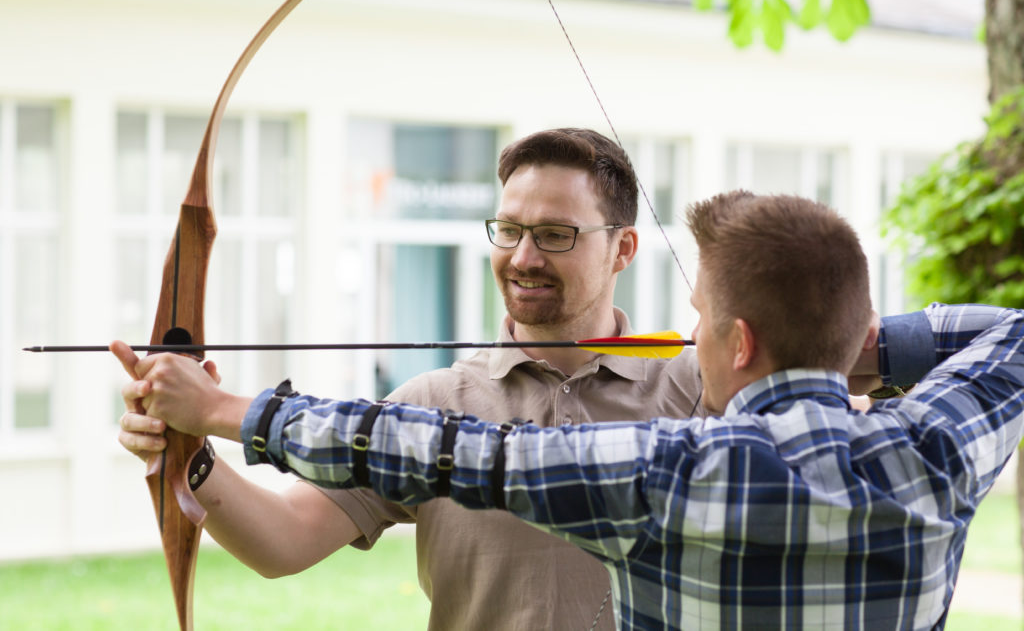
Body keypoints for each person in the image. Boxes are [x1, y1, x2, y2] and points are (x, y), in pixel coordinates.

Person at [124, 191, 1024, 630]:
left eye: (703, 320)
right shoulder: (935, 449)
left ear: (737, 341)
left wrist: (226, 405)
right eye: (507, 229)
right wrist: (855, 344)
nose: (524, 252)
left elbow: (436, 453)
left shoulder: (661, 466)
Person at [117, 127, 704, 629]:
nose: (523, 257)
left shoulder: (698, 391)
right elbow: (285, 539)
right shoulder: (436, 402)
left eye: (555, 234)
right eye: (509, 229)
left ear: (623, 248)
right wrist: (190, 452)